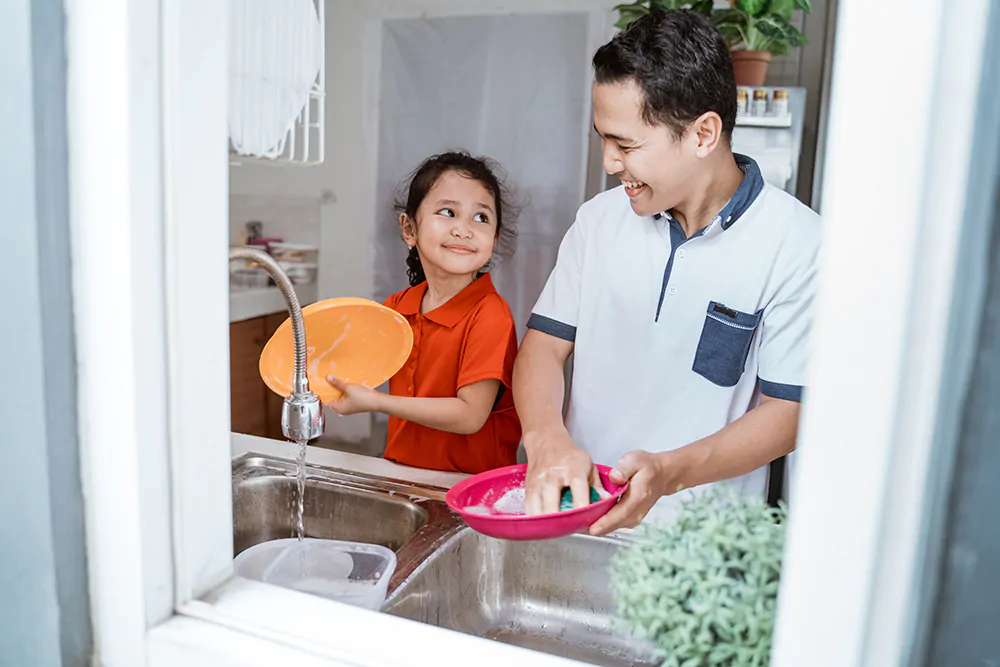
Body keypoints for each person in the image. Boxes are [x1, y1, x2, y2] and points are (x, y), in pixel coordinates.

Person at [513, 11, 821, 533]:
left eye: (627, 145)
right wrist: (547, 440)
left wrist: (668, 473)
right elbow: (543, 347)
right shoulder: (598, 221)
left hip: (699, 541)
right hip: (579, 512)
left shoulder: (797, 242)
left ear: (703, 134)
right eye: (603, 139)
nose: (609, 162)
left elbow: (787, 411)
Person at [326, 151, 522, 474]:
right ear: (409, 229)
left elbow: (470, 415)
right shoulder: (397, 308)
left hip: (468, 488)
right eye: (448, 212)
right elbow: (349, 363)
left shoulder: (490, 316)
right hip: (404, 475)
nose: (464, 229)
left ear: (495, 238)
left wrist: (375, 402)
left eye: (481, 217)